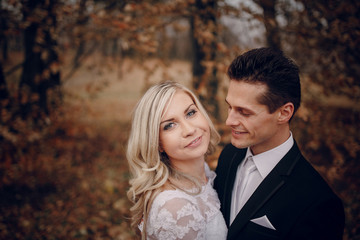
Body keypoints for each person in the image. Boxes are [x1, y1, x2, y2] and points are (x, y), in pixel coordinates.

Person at [214, 47, 345, 240]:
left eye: (244, 112)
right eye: (230, 107)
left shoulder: (317, 202)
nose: (229, 121)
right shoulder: (229, 155)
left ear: (284, 113)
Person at [127, 81, 228, 240]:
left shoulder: (205, 172)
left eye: (190, 113)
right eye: (170, 125)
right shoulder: (176, 208)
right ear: (157, 143)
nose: (189, 130)